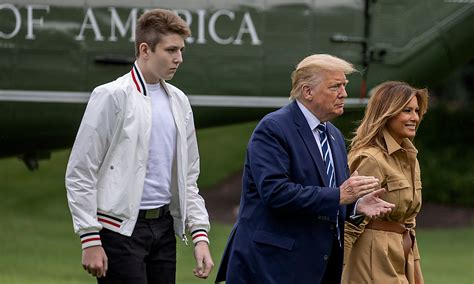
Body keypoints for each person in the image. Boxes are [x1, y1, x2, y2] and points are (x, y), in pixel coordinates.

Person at [215, 54, 394, 284]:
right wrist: (340, 195)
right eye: (335, 86)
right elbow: (275, 192)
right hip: (272, 267)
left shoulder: (333, 135)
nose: (344, 94)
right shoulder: (274, 128)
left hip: (319, 267)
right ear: (307, 91)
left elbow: (330, 198)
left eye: (344, 86)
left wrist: (356, 206)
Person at [65, 8, 213, 283]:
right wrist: (89, 238)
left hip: (165, 229)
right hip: (118, 231)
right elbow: (80, 171)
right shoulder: (111, 96)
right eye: (171, 50)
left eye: (181, 50)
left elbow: (188, 177)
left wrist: (199, 235)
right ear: (145, 49)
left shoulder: (180, 102)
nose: (179, 58)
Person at [342, 81, 429, 284]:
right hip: (371, 256)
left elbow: (408, 220)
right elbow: (351, 218)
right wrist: (336, 267)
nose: (414, 118)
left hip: (402, 252)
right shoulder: (370, 158)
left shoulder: (410, 157)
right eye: (407, 110)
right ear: (387, 113)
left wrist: (414, 266)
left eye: (417, 111)